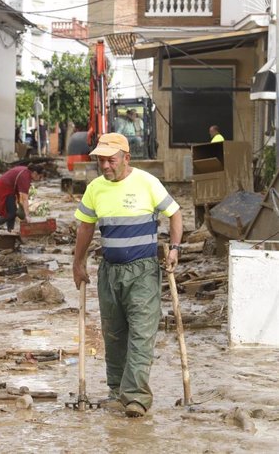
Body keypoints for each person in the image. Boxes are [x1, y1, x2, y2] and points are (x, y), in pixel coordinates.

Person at [72, 132, 183, 418]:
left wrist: (174, 248)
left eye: (110, 160)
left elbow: (175, 213)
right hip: (109, 272)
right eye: (101, 161)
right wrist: (78, 263)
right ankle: (116, 391)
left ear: (125, 158)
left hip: (143, 270)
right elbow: (85, 227)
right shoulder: (95, 188)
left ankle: (135, 396)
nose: (105, 166)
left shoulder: (147, 182)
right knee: (114, 334)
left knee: (142, 333)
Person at [0, 164, 44, 231]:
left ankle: (10, 230)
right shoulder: (25, 177)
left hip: (8, 188)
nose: (40, 179)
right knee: (12, 213)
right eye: (40, 177)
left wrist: (21, 206)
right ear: (35, 173)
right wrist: (27, 216)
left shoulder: (27, 172)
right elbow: (25, 199)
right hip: (3, 188)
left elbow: (20, 194)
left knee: (12, 211)